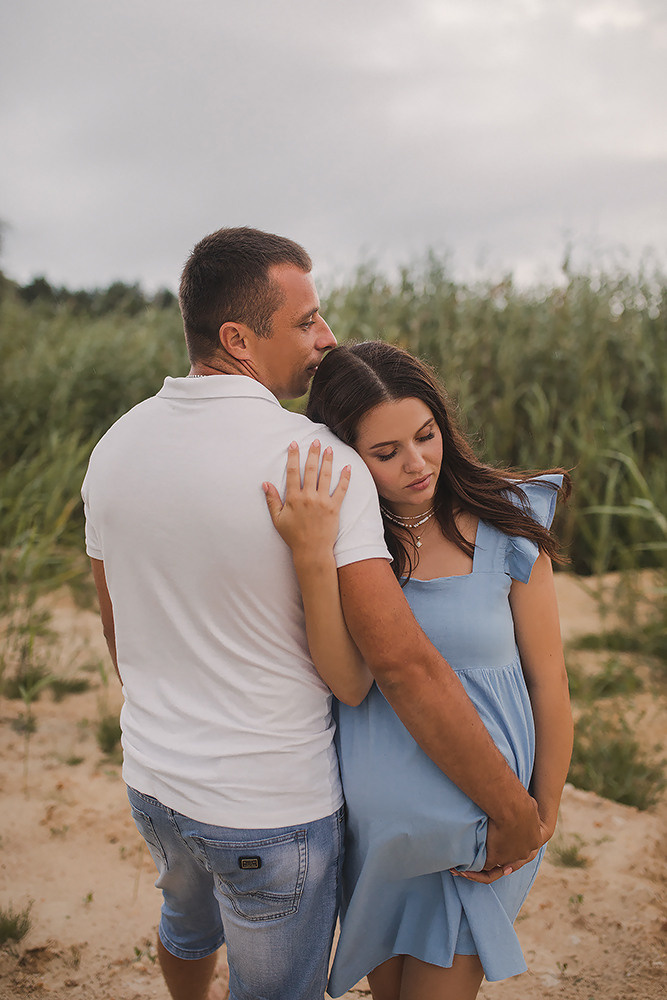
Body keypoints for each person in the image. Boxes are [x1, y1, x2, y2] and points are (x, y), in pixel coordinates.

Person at [81, 227, 543, 1000]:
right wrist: (513, 811)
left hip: (154, 782)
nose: (325, 339)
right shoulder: (314, 460)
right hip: (269, 810)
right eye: (304, 321)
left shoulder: (114, 448)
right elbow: (398, 663)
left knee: (186, 925)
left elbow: (117, 635)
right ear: (238, 338)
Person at [264, 340, 573, 1000]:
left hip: (482, 829)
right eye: (386, 453)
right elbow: (348, 682)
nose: (416, 463)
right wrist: (315, 559)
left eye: (426, 436)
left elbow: (549, 683)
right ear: (348, 454)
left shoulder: (506, 522)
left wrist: (537, 816)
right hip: (382, 843)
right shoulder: (356, 551)